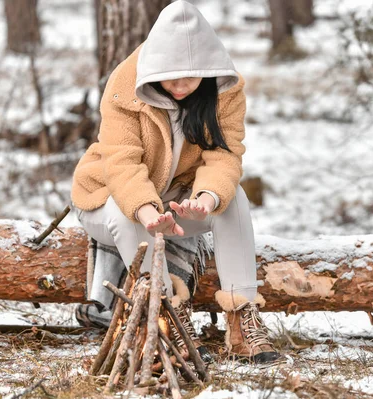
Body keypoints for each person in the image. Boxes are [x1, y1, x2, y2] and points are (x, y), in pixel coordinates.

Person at [71, 0, 280, 365]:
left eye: (191, 76)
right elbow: (122, 164)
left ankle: (241, 319)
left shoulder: (225, 91)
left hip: (178, 198)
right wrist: (148, 210)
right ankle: (168, 315)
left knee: (236, 200)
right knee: (128, 215)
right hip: (110, 198)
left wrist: (207, 199)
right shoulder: (123, 87)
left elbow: (224, 156)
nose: (181, 85)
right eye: (171, 76)